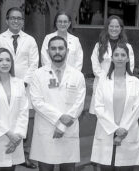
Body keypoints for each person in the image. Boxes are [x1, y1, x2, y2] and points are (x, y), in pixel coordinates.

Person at [0, 7, 39, 169]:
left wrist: (23, 83)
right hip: (4, 86)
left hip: (24, 87)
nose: (16, 21)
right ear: (7, 20)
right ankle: (0, 156)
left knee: (22, 120)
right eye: (13, 18)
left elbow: (34, 64)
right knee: (5, 119)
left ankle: (21, 156)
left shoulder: (30, 40)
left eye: (19, 18)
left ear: (23, 21)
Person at [29, 36, 86, 171]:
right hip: (46, 130)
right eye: (53, 48)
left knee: (68, 168)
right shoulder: (38, 74)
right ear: (48, 51)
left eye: (61, 48)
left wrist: (62, 125)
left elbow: (79, 103)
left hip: (68, 129)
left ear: (67, 50)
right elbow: (37, 102)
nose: (57, 51)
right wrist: (61, 116)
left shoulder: (77, 75)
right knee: (45, 167)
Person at [91, 43, 139, 171]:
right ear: (112, 58)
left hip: (127, 133)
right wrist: (114, 129)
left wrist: (122, 130)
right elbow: (99, 108)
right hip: (107, 132)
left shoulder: (135, 82)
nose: (120, 58)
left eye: (123, 55)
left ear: (128, 58)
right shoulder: (103, 81)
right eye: (116, 55)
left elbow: (136, 110)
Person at [89, 15, 135, 115]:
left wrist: (116, 78)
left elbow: (129, 67)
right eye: (111, 26)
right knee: (102, 115)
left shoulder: (128, 47)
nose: (114, 29)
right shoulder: (99, 46)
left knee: (119, 114)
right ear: (107, 28)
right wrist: (107, 78)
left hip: (120, 84)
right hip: (102, 83)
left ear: (121, 28)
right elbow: (95, 66)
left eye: (117, 26)